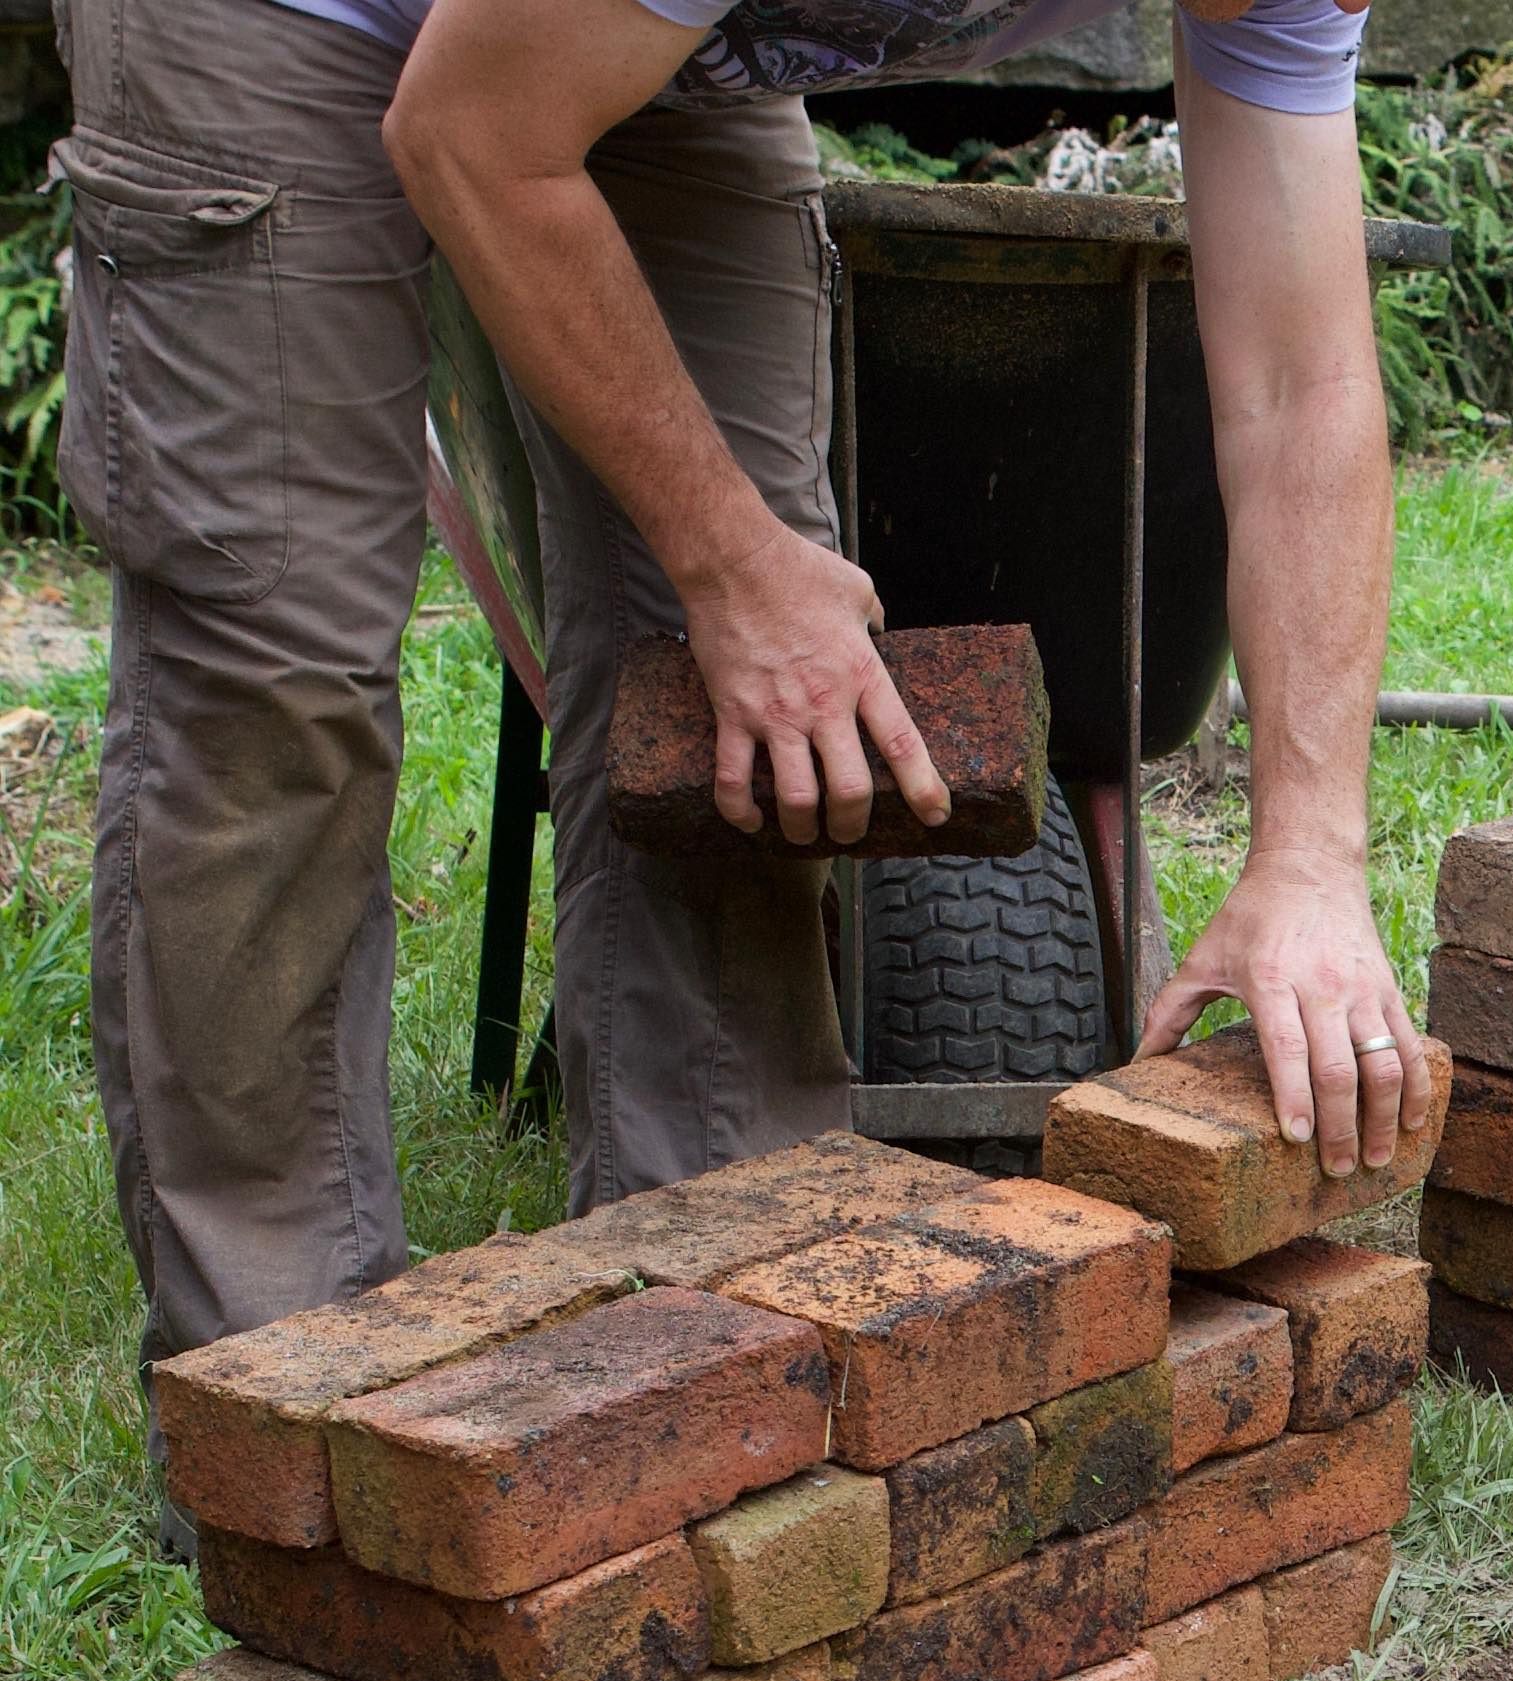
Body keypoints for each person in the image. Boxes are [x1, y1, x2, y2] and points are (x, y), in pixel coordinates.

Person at [53, 0, 1423, 1485]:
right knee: (279, 678)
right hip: (277, 21)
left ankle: (720, 1346)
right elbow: (468, 132)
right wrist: (730, 568)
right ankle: (289, 1422)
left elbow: (1304, 381)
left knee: (738, 721)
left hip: (626, 45)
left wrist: (1311, 859)